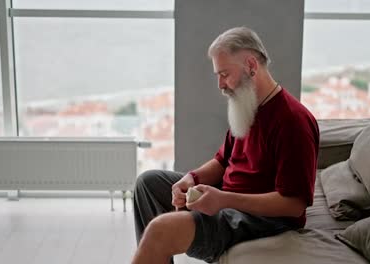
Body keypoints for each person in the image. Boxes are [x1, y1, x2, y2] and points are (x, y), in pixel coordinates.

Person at [131, 26, 319, 264]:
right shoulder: (249, 106)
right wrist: (192, 178)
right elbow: (222, 161)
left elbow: (294, 205)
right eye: (218, 75)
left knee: (161, 229)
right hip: (230, 199)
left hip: (263, 220)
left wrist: (224, 199)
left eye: (225, 74)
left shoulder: (292, 121)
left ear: (251, 66)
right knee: (148, 183)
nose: (220, 84)